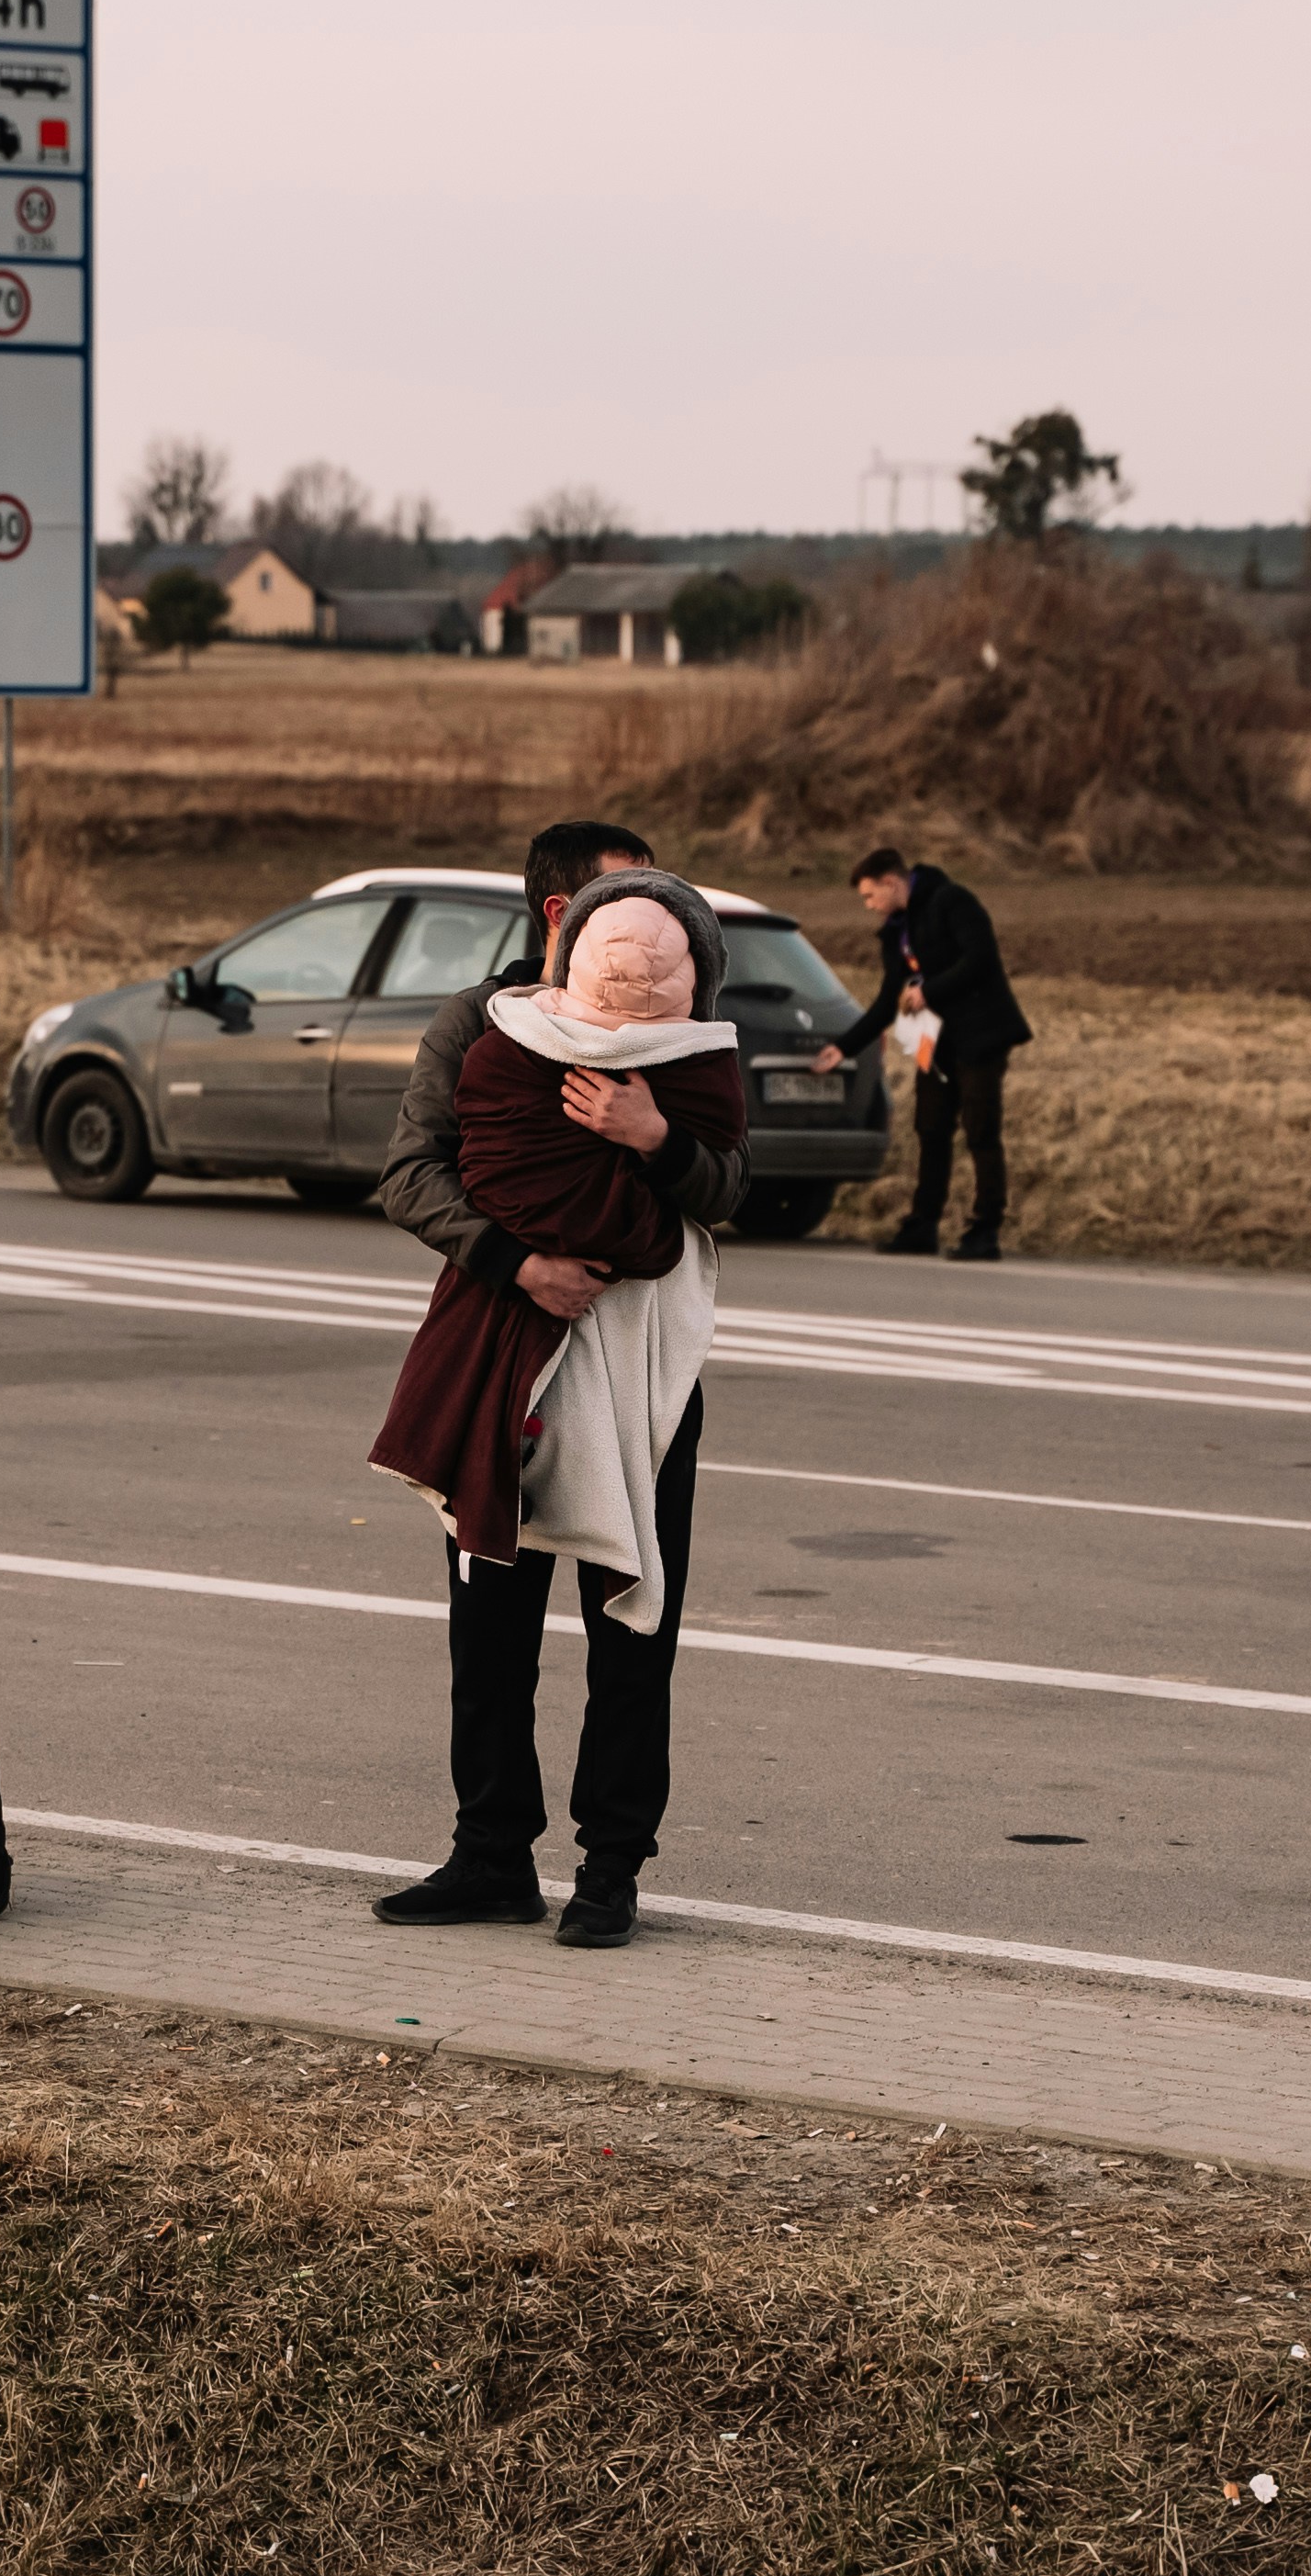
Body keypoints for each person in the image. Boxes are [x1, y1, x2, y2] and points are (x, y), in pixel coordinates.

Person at [370, 824, 750, 1950]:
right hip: (503, 1348)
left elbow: (728, 1184)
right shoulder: (479, 1027)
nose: (655, 919)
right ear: (558, 919)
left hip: (642, 1373)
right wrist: (518, 1263)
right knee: (488, 1628)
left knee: (633, 1628)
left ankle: (610, 1871)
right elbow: (410, 1174)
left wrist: (653, 1136)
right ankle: (490, 1854)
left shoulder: (686, 1033)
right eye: (623, 901)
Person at [809, 846, 1030, 1260]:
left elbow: (980, 960)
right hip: (935, 1043)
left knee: (981, 1131)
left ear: (892, 882)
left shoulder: (953, 902)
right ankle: (923, 1225)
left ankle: (985, 1229)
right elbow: (889, 997)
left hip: (979, 1037)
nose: (870, 907)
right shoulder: (897, 928)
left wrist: (928, 990)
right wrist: (844, 1048)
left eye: (871, 896)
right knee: (931, 1129)